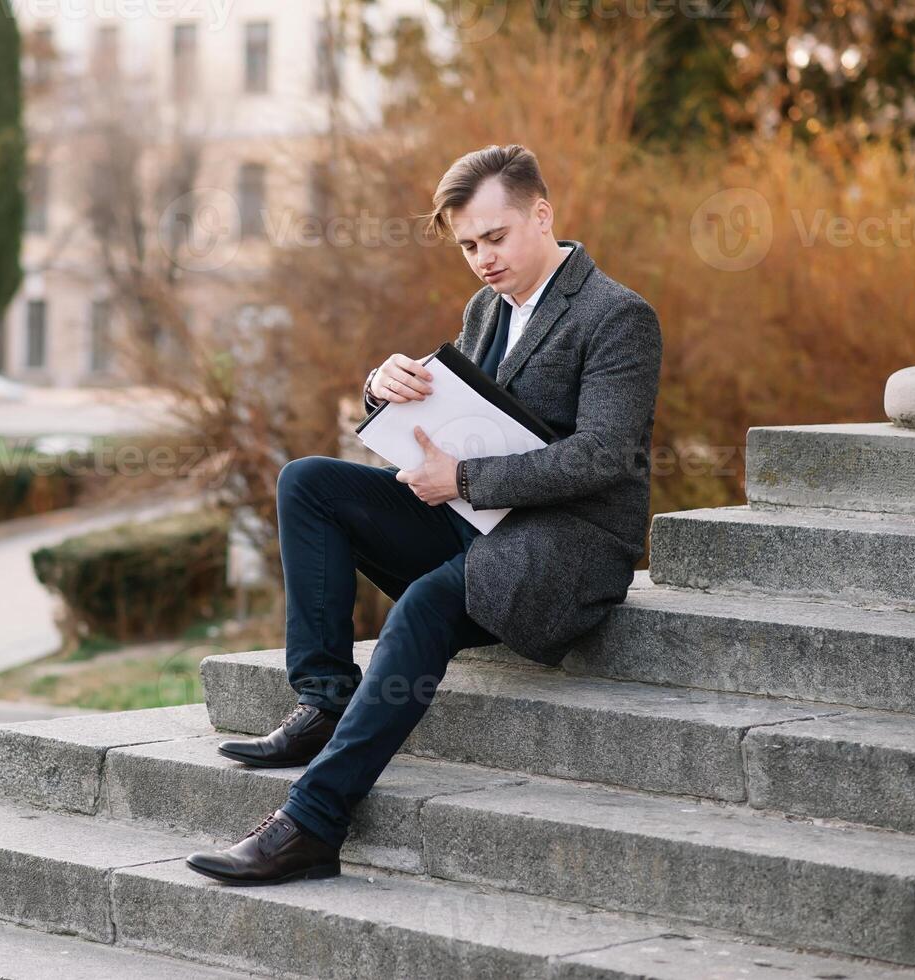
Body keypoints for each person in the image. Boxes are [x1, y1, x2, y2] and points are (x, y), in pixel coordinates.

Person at [185, 143, 663, 886]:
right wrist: (383, 389)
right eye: (468, 245)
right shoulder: (484, 309)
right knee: (307, 482)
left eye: (494, 238)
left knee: (422, 605)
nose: (480, 259)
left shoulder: (617, 315)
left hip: (567, 550)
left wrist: (464, 477)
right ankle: (323, 700)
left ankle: (310, 825)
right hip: (476, 520)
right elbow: (462, 415)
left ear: (542, 215)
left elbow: (603, 456)